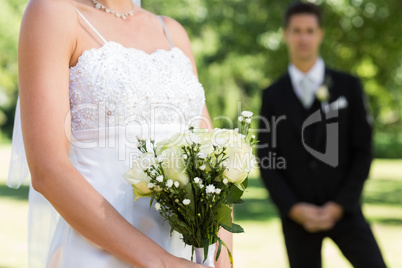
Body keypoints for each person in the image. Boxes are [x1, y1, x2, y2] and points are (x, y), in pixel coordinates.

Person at [8, 0, 232, 267]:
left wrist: (221, 260)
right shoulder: (53, 12)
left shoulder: (172, 31)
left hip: (186, 255)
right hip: (98, 252)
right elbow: (48, 169)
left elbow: (211, 165)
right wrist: (161, 262)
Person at [257, 2, 387, 268]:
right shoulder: (272, 96)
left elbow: (363, 149)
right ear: (286, 35)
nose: (303, 37)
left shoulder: (348, 87)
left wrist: (339, 205)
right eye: (296, 30)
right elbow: (267, 157)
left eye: (309, 30)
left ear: (320, 34)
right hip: (297, 217)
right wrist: (293, 209)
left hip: (345, 210)